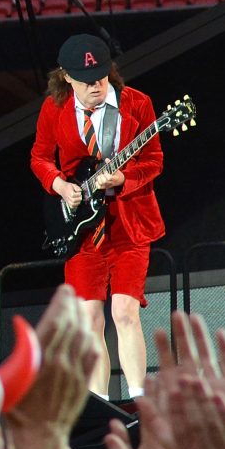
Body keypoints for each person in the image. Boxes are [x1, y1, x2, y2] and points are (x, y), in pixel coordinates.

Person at [30, 34, 164, 397]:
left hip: (128, 224)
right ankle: (101, 404)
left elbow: (154, 161)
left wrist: (124, 178)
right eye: (87, 81)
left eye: (102, 78)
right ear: (66, 77)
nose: (96, 87)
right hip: (81, 228)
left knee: (124, 312)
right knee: (90, 319)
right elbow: (39, 157)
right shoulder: (54, 108)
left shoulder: (136, 104)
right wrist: (59, 185)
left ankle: (138, 400)